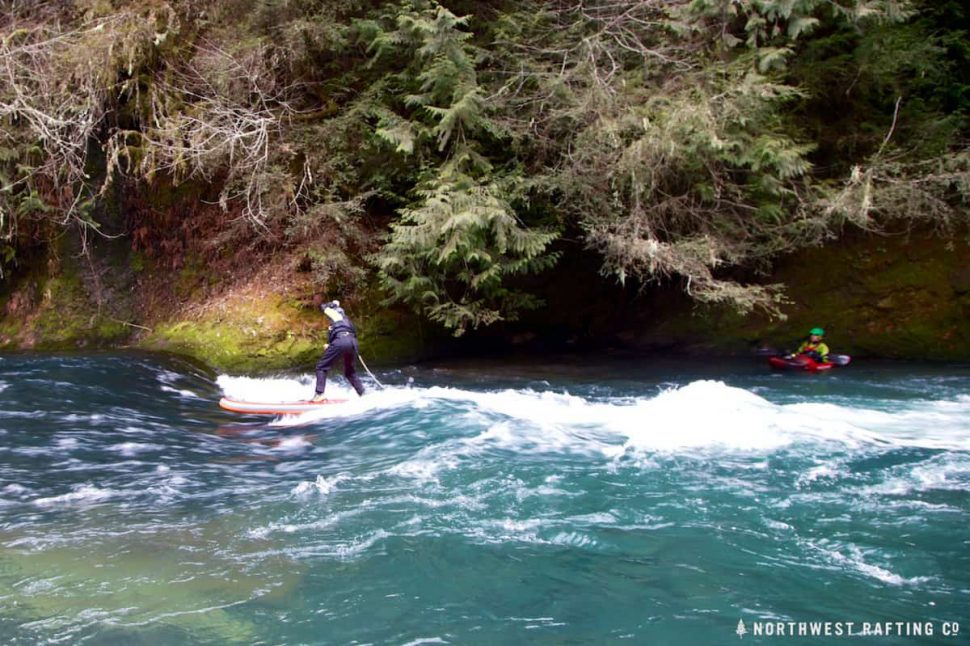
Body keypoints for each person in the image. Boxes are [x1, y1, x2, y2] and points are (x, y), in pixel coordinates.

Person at [310, 299, 365, 402]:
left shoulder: (336, 315)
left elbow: (323, 307)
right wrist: (331, 345)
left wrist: (333, 304)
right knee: (350, 372)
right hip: (353, 343)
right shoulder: (347, 321)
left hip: (341, 341)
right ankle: (362, 393)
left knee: (321, 367)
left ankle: (319, 394)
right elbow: (347, 334)